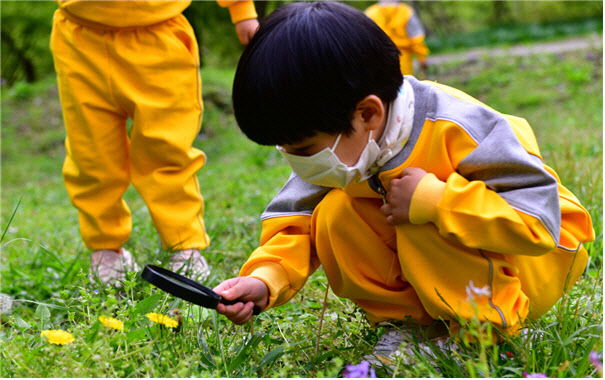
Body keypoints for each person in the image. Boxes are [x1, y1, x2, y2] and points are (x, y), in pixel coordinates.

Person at [213, 1, 594, 365]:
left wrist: (437, 200)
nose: (296, 160)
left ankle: (485, 333)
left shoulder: (459, 127)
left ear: (368, 113)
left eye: (303, 147)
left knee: (417, 209)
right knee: (334, 213)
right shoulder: (347, 138)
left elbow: (540, 221)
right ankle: (410, 326)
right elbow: (297, 219)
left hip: (537, 256)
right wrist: (266, 279)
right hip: (467, 255)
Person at [50, 0, 259, 286]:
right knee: (91, 154)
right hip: (79, 37)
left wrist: (241, 10)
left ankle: (183, 245)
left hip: (159, 36)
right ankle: (105, 249)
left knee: (167, 149)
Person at [364, 0, 429, 76]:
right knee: (404, 83)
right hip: (402, 56)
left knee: (382, 84)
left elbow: (364, 38)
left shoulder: (370, 12)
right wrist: (422, 58)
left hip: (379, 57)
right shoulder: (406, 11)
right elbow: (417, 37)